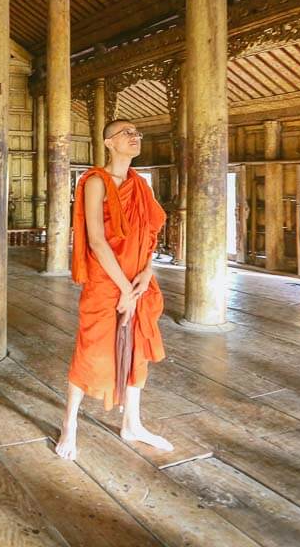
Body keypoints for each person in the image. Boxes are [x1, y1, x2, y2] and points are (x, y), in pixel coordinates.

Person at [55, 119, 172, 460]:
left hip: (138, 281)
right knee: (92, 351)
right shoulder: (95, 181)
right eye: (127, 133)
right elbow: (96, 240)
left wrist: (144, 275)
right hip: (107, 283)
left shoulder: (140, 184)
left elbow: (150, 237)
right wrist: (124, 289)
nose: (135, 138)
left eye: (138, 133)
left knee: (137, 350)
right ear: (108, 142)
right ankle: (69, 424)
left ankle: (132, 423)